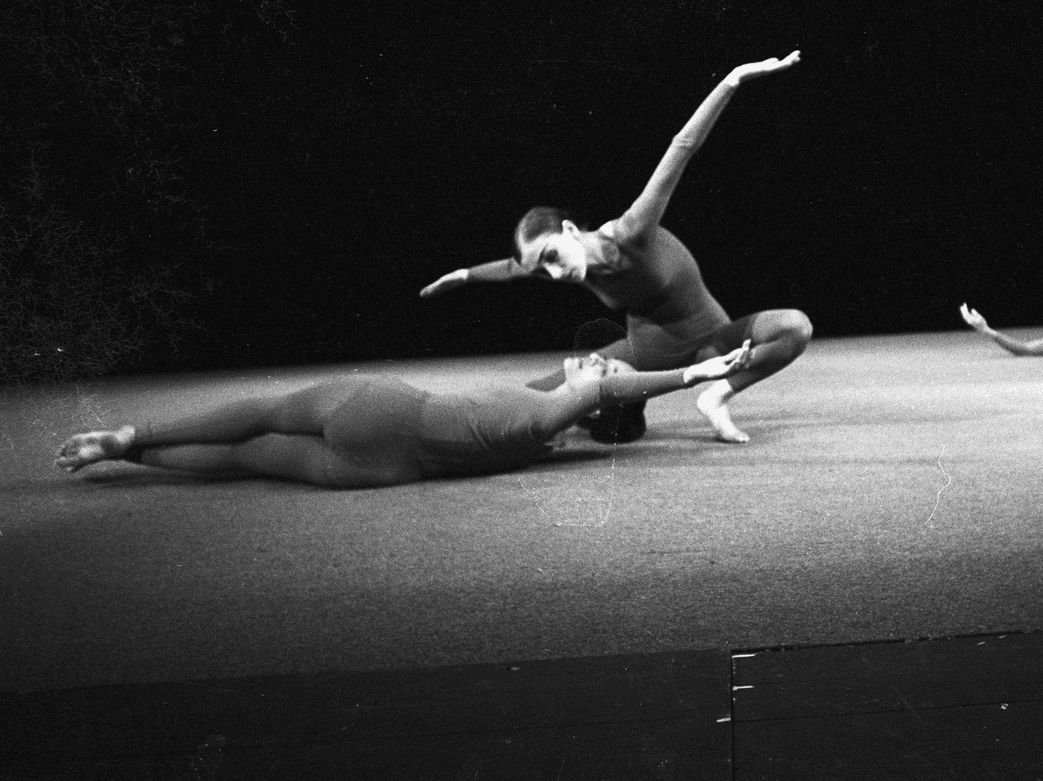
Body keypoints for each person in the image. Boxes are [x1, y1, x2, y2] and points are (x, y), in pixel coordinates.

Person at [419, 51, 812, 444]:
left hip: (712, 341)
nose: (554, 273)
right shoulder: (563, 266)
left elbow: (682, 146)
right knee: (536, 395)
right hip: (645, 355)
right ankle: (440, 422)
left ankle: (715, 398)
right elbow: (511, 267)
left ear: (570, 229)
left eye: (551, 256)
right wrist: (464, 275)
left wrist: (733, 79)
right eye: (542, 269)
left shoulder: (631, 233)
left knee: (794, 327)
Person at [54, 343, 753, 488]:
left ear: (600, 405)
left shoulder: (550, 412)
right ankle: (130, 454)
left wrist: (692, 374)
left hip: (382, 408)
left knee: (260, 412)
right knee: (244, 459)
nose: (596, 362)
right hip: (377, 469)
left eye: (606, 371)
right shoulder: (540, 434)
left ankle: (134, 437)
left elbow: (597, 392)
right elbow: (594, 388)